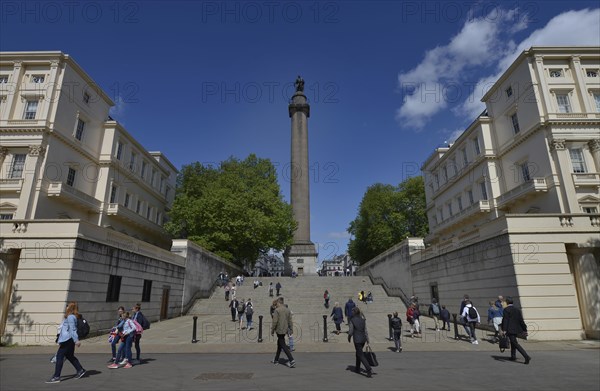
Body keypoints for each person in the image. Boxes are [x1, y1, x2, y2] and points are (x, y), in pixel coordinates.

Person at [46, 302, 86, 383]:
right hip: (68, 339)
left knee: (59, 357)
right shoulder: (69, 317)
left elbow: (73, 329)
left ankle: (56, 376)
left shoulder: (71, 317)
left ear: (70, 307)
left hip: (68, 340)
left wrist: (76, 340)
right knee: (70, 356)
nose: (66, 308)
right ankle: (80, 370)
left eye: (67, 306)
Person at [501, 297, 531, 364]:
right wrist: (524, 329)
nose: (503, 303)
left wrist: (504, 330)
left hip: (510, 329)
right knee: (513, 342)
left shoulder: (506, 310)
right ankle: (513, 356)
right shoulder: (517, 309)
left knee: (515, 343)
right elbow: (521, 320)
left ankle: (526, 356)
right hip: (516, 329)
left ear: (507, 302)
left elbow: (505, 320)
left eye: (504, 302)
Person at [270, 297, 295, 368]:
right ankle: (276, 360)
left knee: (283, 345)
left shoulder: (277, 310)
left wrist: (272, 330)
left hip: (279, 329)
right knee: (279, 344)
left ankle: (291, 360)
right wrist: (291, 329)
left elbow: (275, 321)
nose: (276, 305)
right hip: (285, 329)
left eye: (277, 303)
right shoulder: (287, 310)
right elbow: (290, 321)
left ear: (279, 303)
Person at [348, 306, 372, 378]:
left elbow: (351, 331)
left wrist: (349, 337)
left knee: (360, 354)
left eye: (352, 311)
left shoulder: (352, 320)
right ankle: (357, 368)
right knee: (358, 353)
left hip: (357, 340)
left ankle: (368, 369)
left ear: (354, 312)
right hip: (363, 339)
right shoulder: (362, 320)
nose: (351, 312)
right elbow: (365, 331)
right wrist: (368, 340)